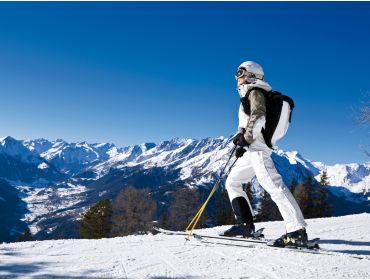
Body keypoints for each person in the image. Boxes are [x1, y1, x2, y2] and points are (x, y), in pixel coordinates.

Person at [222, 60, 308, 247]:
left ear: (252, 75)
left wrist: (247, 137)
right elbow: (246, 121)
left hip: (258, 149)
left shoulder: (255, 92)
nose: (237, 77)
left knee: (274, 186)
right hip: (252, 148)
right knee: (233, 181)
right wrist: (240, 136)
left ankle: (296, 231)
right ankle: (245, 225)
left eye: (241, 73)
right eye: (237, 74)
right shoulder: (248, 95)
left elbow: (258, 116)